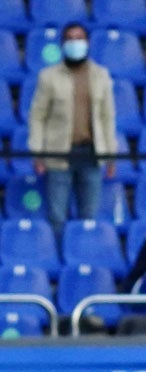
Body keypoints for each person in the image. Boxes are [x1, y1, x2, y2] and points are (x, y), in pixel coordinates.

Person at [26, 22, 118, 240]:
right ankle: (59, 259)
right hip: (58, 153)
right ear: (62, 44)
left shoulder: (101, 75)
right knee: (57, 216)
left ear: (87, 43)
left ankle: (83, 256)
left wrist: (111, 155)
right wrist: (37, 152)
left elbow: (107, 117)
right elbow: (37, 116)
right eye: (70, 39)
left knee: (89, 215)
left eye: (79, 38)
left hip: (91, 153)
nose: (75, 43)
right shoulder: (48, 76)